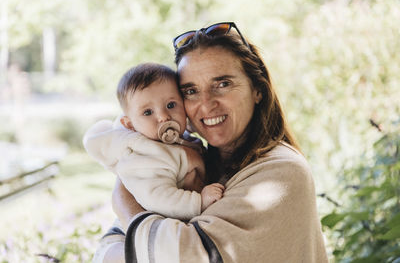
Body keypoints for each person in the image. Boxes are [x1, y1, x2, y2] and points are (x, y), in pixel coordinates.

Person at [95, 22, 328, 263]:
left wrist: (124, 203)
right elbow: (106, 251)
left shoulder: (281, 172)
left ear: (257, 89)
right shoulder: (198, 165)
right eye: (191, 91)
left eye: (223, 84)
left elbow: (185, 257)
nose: (206, 104)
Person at [83, 63, 224, 220]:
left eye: (171, 105)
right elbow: (157, 197)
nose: (164, 116)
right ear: (130, 124)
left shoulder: (179, 139)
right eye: (148, 112)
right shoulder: (143, 156)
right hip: (162, 228)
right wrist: (199, 201)